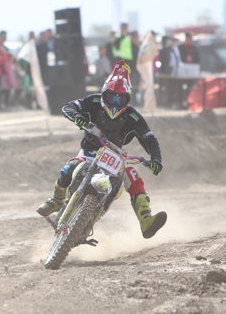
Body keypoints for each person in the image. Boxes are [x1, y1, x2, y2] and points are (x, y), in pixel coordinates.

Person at [36, 61, 167, 239]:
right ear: (104, 93)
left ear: (127, 99)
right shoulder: (94, 101)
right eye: (111, 97)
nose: (115, 103)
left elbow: (149, 139)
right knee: (69, 168)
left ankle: (145, 220)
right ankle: (57, 199)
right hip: (89, 154)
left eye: (120, 99)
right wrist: (78, 117)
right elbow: (68, 107)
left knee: (134, 178)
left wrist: (156, 159)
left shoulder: (133, 116)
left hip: (115, 158)